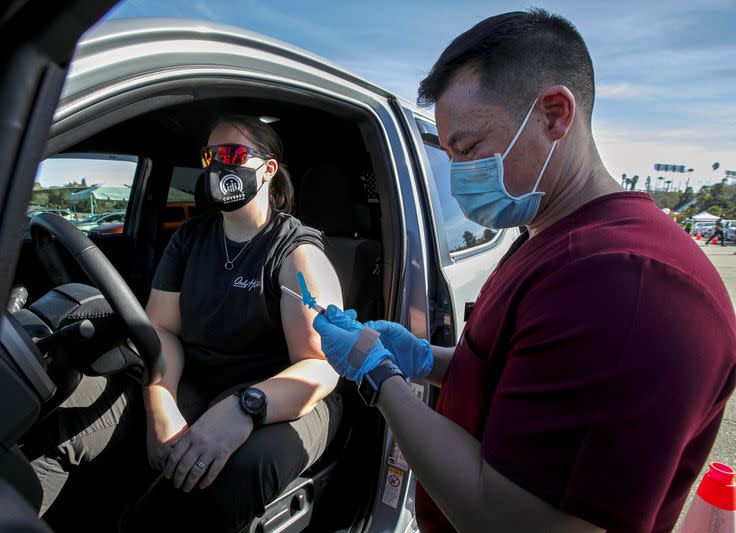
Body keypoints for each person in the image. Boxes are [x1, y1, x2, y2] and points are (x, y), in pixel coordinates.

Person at [313, 10, 736, 533]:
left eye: (468, 150)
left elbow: (518, 520)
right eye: (450, 156)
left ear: (555, 114)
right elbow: (519, 378)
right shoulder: (549, 235)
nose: (462, 176)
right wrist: (428, 361)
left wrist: (380, 376)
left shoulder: (629, 285)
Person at [28, 115, 344, 532]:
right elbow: (162, 330)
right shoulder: (191, 238)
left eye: (232, 154)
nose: (217, 167)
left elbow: (321, 365)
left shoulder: (296, 252)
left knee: (234, 469)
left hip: (283, 393)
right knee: (65, 415)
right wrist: (160, 399)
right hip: (197, 378)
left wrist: (244, 408)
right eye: (210, 156)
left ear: (267, 170)